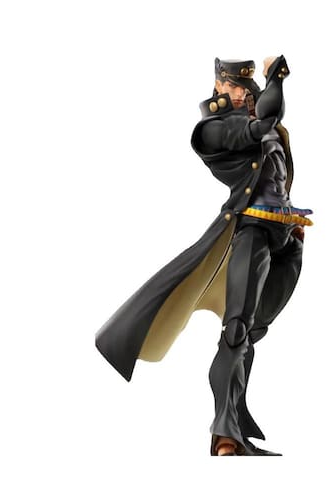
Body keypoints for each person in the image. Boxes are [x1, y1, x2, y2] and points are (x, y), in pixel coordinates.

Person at [95, 55, 312, 456]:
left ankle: (237, 424)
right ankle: (224, 435)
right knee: (237, 330)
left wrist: (291, 221)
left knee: (255, 332)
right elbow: (263, 122)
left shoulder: (264, 121)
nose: (240, 93)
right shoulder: (214, 129)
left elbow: (276, 168)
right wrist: (275, 76)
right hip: (251, 232)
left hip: (285, 238)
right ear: (219, 86)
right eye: (233, 86)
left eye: (245, 87)